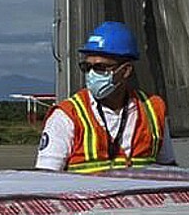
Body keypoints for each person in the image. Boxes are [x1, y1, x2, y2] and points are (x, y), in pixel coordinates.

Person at [36, 21, 176, 173]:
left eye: (100, 68)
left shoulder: (154, 110)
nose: (91, 74)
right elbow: (46, 179)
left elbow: (170, 172)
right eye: (87, 67)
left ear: (126, 70)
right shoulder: (66, 116)